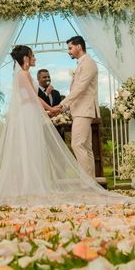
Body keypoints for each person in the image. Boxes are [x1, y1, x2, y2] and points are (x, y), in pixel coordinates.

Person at [0, 45, 127, 208]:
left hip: (31, 113)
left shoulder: (24, 74)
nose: (35, 58)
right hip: (27, 114)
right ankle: (27, 186)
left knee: (34, 148)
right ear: (26, 59)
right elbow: (33, 97)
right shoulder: (23, 74)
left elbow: (34, 97)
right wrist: (51, 109)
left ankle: (33, 185)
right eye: (33, 56)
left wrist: (50, 109)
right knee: (28, 148)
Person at [52, 36, 100, 178]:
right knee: (85, 146)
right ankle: (91, 181)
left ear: (79, 47)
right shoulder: (82, 64)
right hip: (80, 110)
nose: (69, 51)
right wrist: (65, 108)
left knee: (77, 144)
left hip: (84, 110)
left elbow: (80, 88)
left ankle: (87, 182)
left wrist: (62, 104)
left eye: (70, 48)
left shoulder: (88, 63)